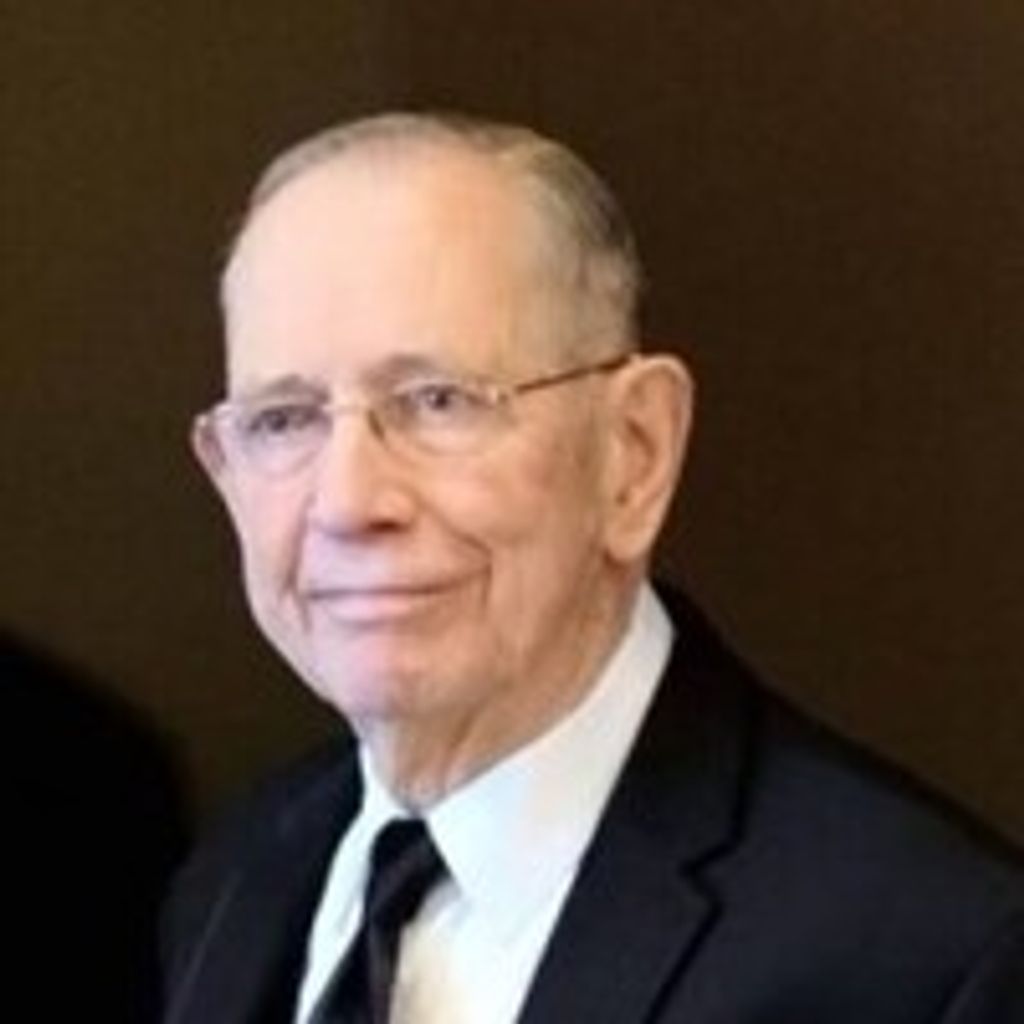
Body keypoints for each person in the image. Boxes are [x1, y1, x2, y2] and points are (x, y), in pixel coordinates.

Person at [161, 112, 1024, 1023]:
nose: (347, 502)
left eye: (437, 402)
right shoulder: (236, 879)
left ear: (634, 452)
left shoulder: (934, 956)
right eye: (283, 420)